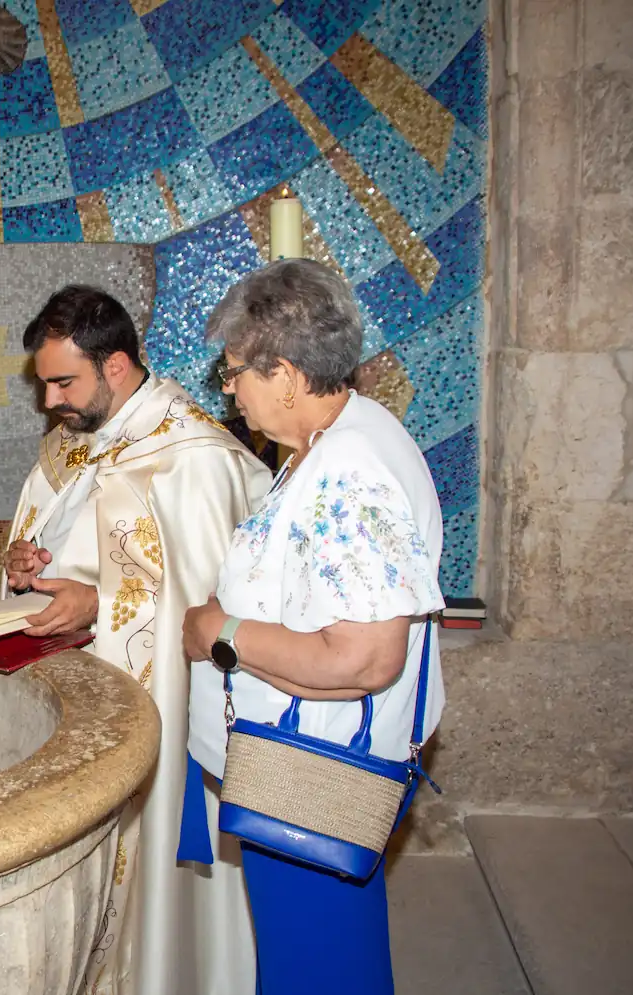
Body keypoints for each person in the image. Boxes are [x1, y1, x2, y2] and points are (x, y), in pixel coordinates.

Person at [182, 259, 446, 994]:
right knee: (323, 959)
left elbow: (363, 656)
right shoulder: (336, 442)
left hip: (310, 771)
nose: (229, 389)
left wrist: (218, 630)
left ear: (289, 376)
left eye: (235, 372)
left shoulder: (349, 469)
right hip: (303, 761)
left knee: (316, 969)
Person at [2, 285, 271, 995]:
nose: (52, 398)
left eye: (65, 380)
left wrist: (96, 600)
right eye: (46, 382)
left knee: (142, 888)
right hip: (69, 692)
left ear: (116, 365)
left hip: (149, 710)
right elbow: (45, 535)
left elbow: (211, 608)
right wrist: (24, 561)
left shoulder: (194, 456)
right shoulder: (69, 444)